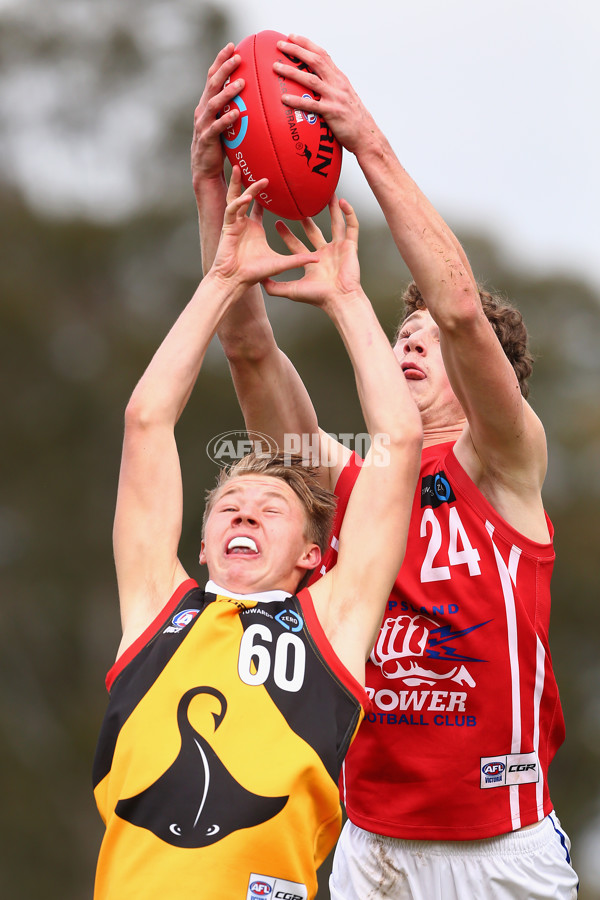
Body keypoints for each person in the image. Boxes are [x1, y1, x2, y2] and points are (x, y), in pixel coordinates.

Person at [191, 36, 579, 900]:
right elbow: (250, 351)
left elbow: (460, 310)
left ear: (492, 384)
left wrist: (363, 140)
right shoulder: (351, 479)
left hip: (495, 852)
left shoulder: (507, 463)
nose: (412, 344)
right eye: (400, 338)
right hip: (368, 845)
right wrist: (215, 196)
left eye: (428, 345)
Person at [91, 169, 422, 900]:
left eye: (271, 510)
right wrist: (219, 280)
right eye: (229, 505)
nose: (243, 513)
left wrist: (347, 298)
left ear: (313, 555)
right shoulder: (156, 610)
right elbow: (147, 422)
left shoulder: (332, 622)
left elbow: (399, 442)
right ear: (202, 543)